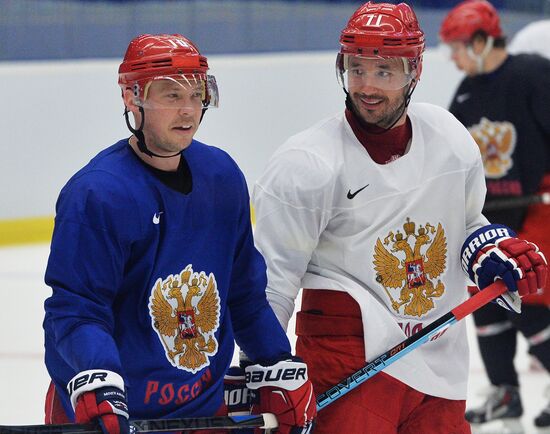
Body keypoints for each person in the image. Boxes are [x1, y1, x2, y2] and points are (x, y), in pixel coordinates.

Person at [250, 2, 548, 434]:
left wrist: (488, 251)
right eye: (356, 69)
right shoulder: (306, 164)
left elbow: (465, 222)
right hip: (349, 360)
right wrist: (268, 369)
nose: (367, 86)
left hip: (437, 359)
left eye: (384, 72)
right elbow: (271, 283)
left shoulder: (448, 138)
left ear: (415, 71)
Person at [42, 33, 316, 434]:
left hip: (204, 410)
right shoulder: (97, 194)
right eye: (171, 96)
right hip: (116, 417)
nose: (188, 110)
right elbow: (76, 310)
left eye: (197, 95)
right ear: (132, 98)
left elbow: (242, 295)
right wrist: (97, 379)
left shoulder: (221, 177)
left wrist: (275, 361)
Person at [439, 0, 550, 430]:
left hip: (539, 206)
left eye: (459, 46)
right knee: (483, 298)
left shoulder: (533, 75)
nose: (454, 57)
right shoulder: (467, 92)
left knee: (532, 298)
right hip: (493, 213)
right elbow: (450, 156)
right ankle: (505, 391)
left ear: (483, 41)